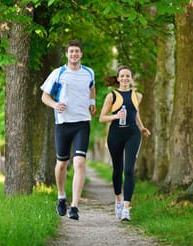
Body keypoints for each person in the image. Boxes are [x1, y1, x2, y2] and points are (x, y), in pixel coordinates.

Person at [41, 40, 96, 220]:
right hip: (63, 123)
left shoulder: (89, 72)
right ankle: (61, 196)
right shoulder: (58, 73)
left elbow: (92, 89)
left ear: (81, 54)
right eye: (71, 51)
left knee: (79, 162)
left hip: (82, 122)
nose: (74, 54)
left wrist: (92, 103)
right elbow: (44, 96)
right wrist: (55, 104)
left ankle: (74, 206)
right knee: (62, 163)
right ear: (67, 54)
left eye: (77, 52)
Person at [99, 66, 151, 221]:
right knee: (117, 170)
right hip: (115, 135)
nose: (125, 78)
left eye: (128, 76)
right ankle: (118, 200)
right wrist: (115, 117)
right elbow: (102, 117)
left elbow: (135, 114)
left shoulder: (138, 96)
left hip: (132, 135)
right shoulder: (112, 96)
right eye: (122, 76)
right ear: (118, 78)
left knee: (129, 170)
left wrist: (142, 128)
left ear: (131, 78)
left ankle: (127, 208)